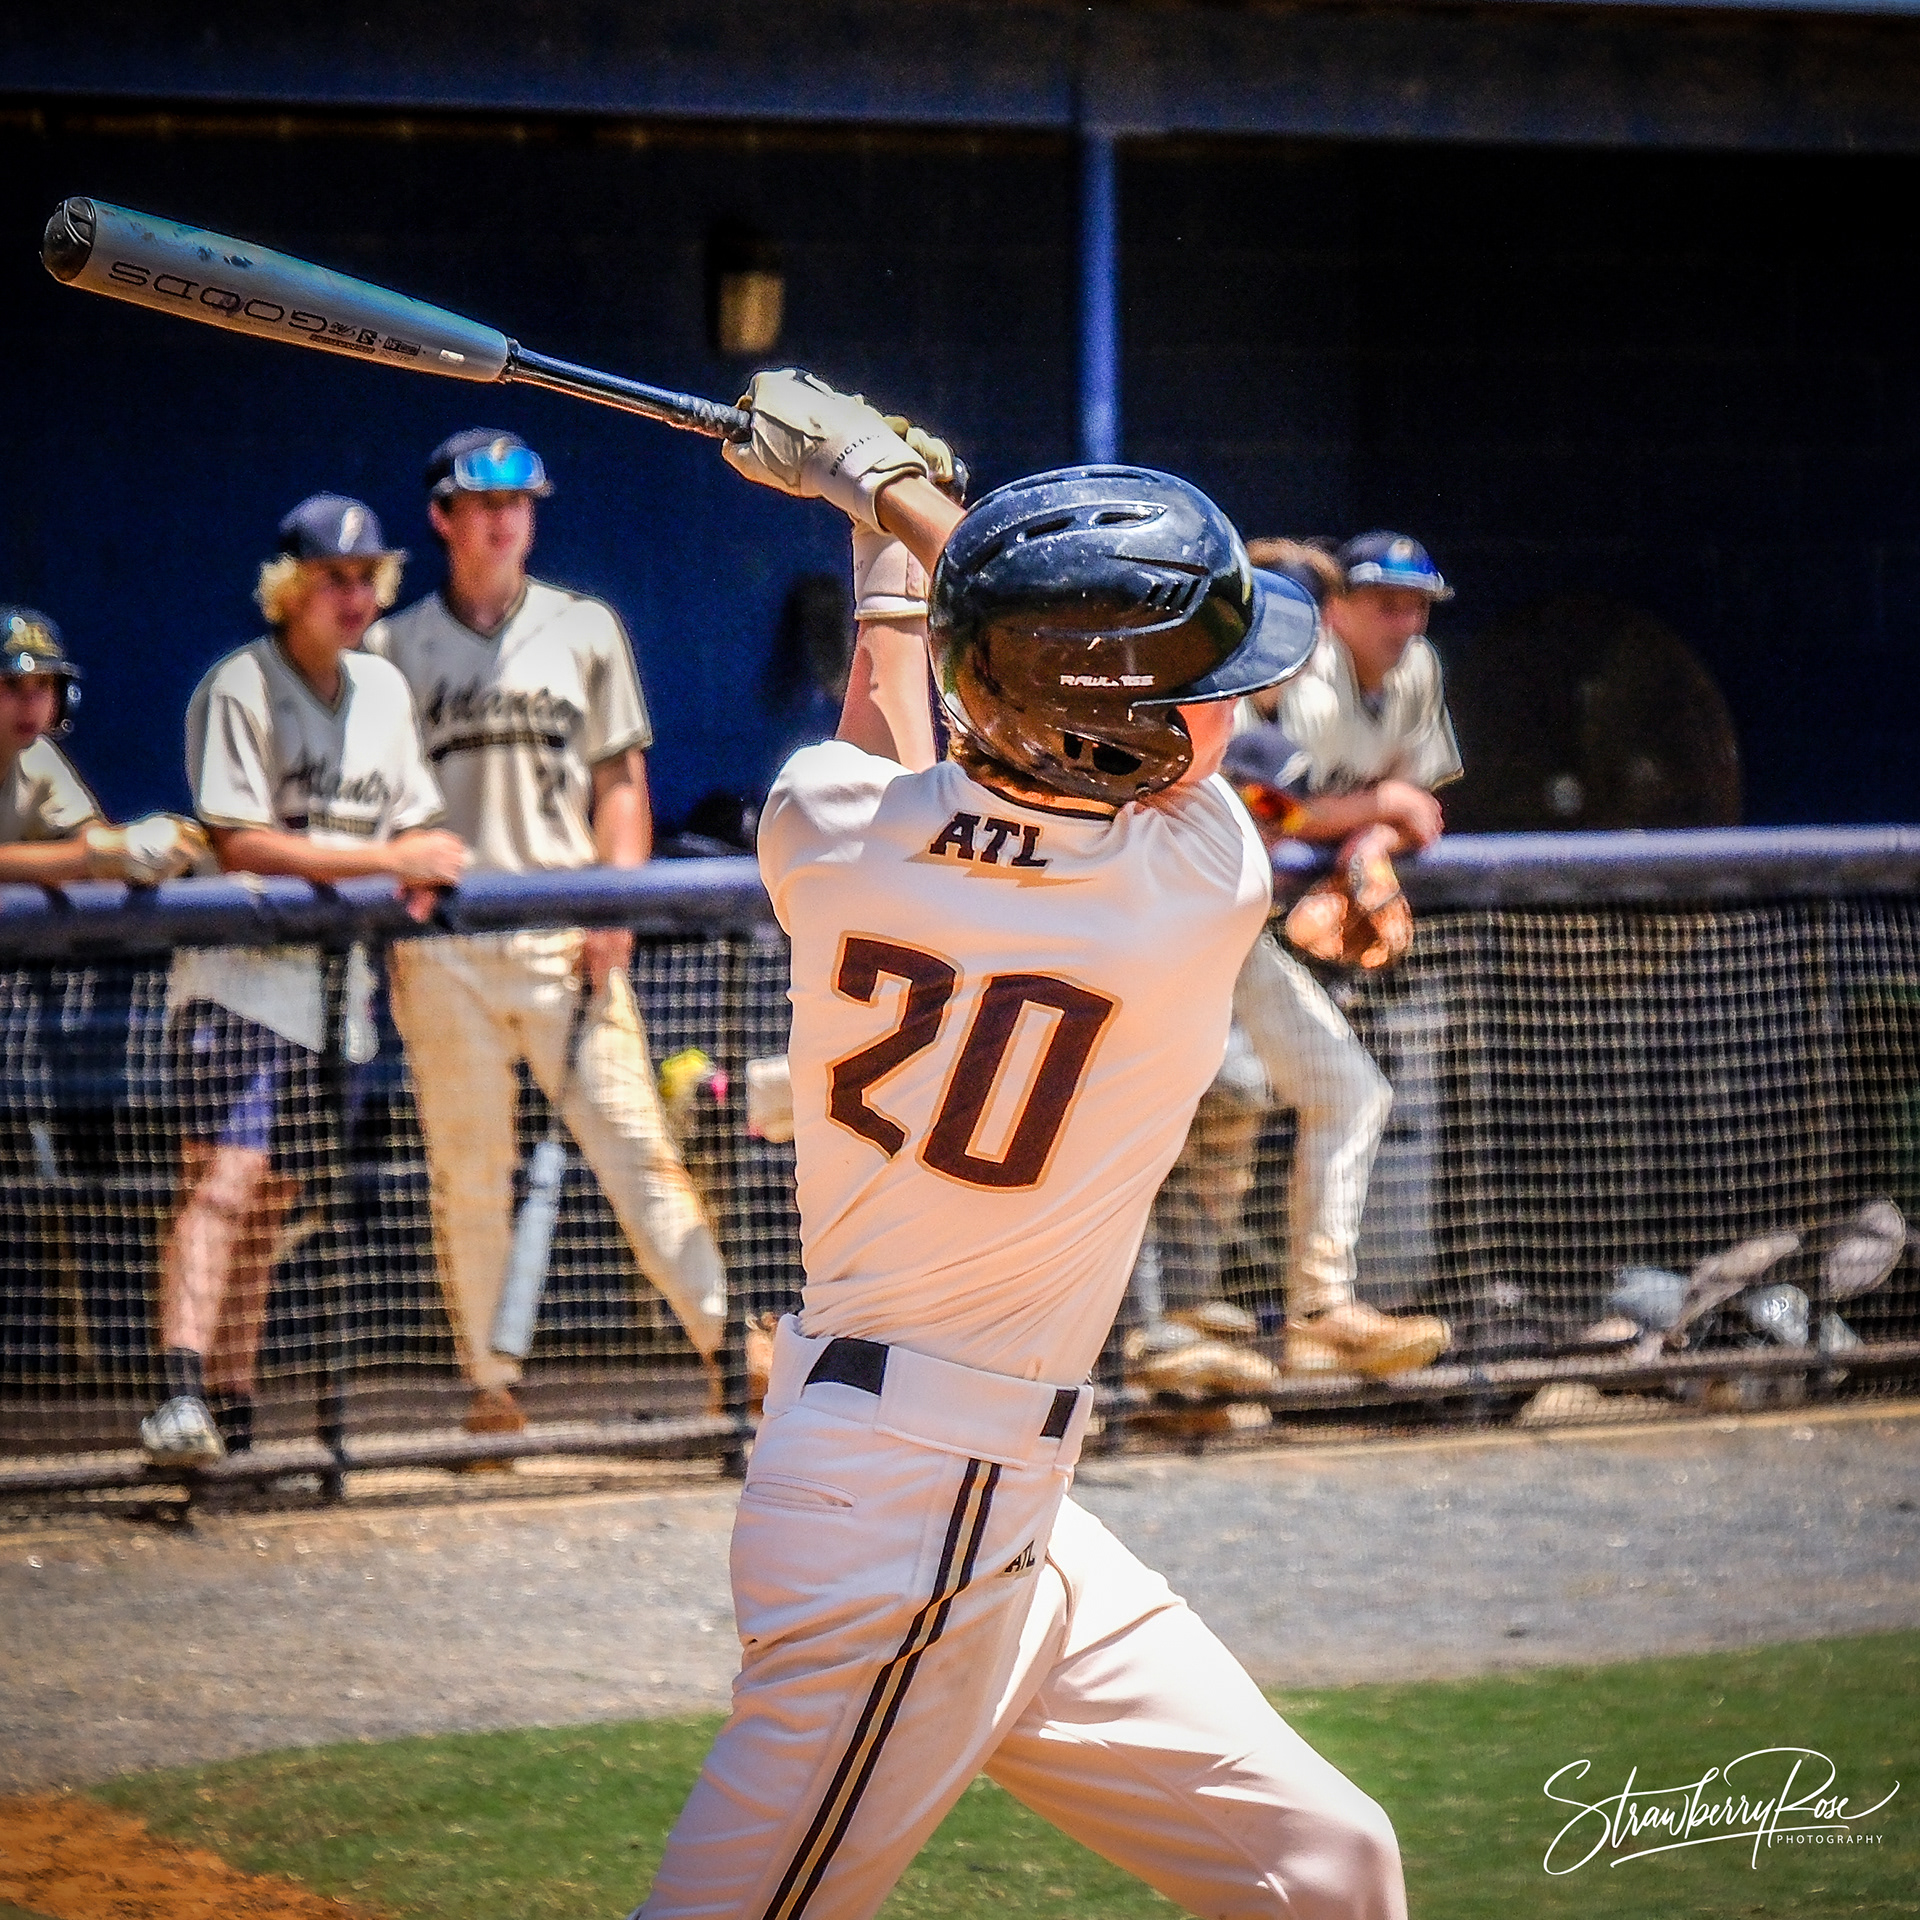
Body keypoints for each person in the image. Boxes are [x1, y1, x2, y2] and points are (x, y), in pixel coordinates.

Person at [633, 370, 1407, 1920]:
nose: (1235, 706)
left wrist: (880, 529)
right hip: (911, 1523)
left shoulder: (824, 829)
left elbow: (901, 739)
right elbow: (973, 677)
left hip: (981, 1499)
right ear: (1112, 728)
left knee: (1328, 1866)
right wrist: (882, 485)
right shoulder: (1198, 883)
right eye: (1203, 684)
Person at [365, 430, 727, 1437]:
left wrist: (614, 906)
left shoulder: (584, 626)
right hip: (447, 946)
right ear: (442, 518)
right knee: (469, 1170)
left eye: (519, 502)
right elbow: (376, 810)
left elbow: (622, 782)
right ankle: (491, 1384)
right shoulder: (391, 649)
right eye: (484, 504)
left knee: (635, 1147)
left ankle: (730, 1352)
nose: (504, 519)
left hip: (565, 936)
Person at [143, 496, 467, 1465]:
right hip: (241, 977)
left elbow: (417, 828)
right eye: (334, 578)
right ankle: (178, 1393)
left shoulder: (383, 689)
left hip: (336, 991)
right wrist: (390, 862)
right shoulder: (238, 684)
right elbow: (239, 840)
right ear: (289, 588)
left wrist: (417, 862)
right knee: (223, 1181)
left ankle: (232, 1406)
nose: (354, 595)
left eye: (368, 578)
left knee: (276, 1197)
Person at [1209, 534, 1459, 1378]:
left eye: (1417, 606)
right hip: (1174, 929)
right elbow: (1275, 801)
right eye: (1382, 603)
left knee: (1335, 1092)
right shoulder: (1217, 684)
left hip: (1239, 931)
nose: (1405, 623)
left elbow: (1408, 805)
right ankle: (1150, 1329)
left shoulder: (1380, 678)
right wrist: (1371, 811)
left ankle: (1310, 1314)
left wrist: (1367, 842)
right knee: (1191, 1107)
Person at [2, 609, 207, 1181]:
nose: (30, 703)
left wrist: (140, 850)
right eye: (12, 686)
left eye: (43, 687)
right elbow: (85, 855)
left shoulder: (36, 760)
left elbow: (93, 843)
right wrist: (91, 857)